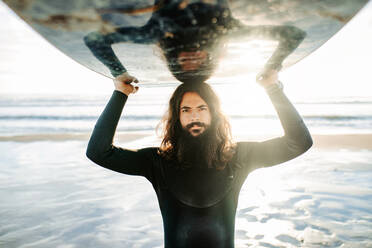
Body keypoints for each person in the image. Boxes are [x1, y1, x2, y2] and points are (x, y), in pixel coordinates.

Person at [86, 69, 313, 248]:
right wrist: (120, 94)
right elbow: (98, 152)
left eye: (202, 108)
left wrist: (273, 88)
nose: (194, 116)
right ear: (177, 116)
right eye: (185, 110)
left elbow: (299, 142)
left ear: (214, 113)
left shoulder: (239, 156)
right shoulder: (157, 161)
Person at [84, 0, 306, 83]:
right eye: (198, 65)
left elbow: (94, 39)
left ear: (174, 61)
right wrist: (271, 66)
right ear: (209, 61)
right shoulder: (226, 32)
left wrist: (118, 72)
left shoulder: (155, 34)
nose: (190, 59)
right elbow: (294, 33)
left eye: (184, 66)